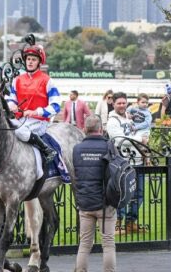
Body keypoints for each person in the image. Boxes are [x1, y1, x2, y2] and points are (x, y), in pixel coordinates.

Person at [72, 115, 116, 272]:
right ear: (101, 129)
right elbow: (115, 174)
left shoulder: (77, 149)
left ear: (85, 129)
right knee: (108, 243)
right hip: (105, 203)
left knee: (84, 244)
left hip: (85, 202)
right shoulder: (108, 146)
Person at [6, 44, 61, 163]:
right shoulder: (17, 80)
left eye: (34, 59)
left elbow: (56, 106)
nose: (30, 62)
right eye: (28, 59)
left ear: (39, 62)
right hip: (20, 120)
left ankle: (47, 150)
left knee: (18, 131)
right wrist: (12, 106)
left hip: (39, 121)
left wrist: (35, 112)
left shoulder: (47, 80)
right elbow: (11, 99)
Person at [105, 92, 144, 234]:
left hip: (137, 160)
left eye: (124, 102)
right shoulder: (112, 121)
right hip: (122, 164)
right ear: (113, 104)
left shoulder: (129, 118)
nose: (122, 105)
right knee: (122, 193)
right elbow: (121, 140)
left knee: (139, 194)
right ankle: (117, 224)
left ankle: (130, 222)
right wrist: (140, 138)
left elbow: (132, 136)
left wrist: (137, 138)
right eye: (119, 103)